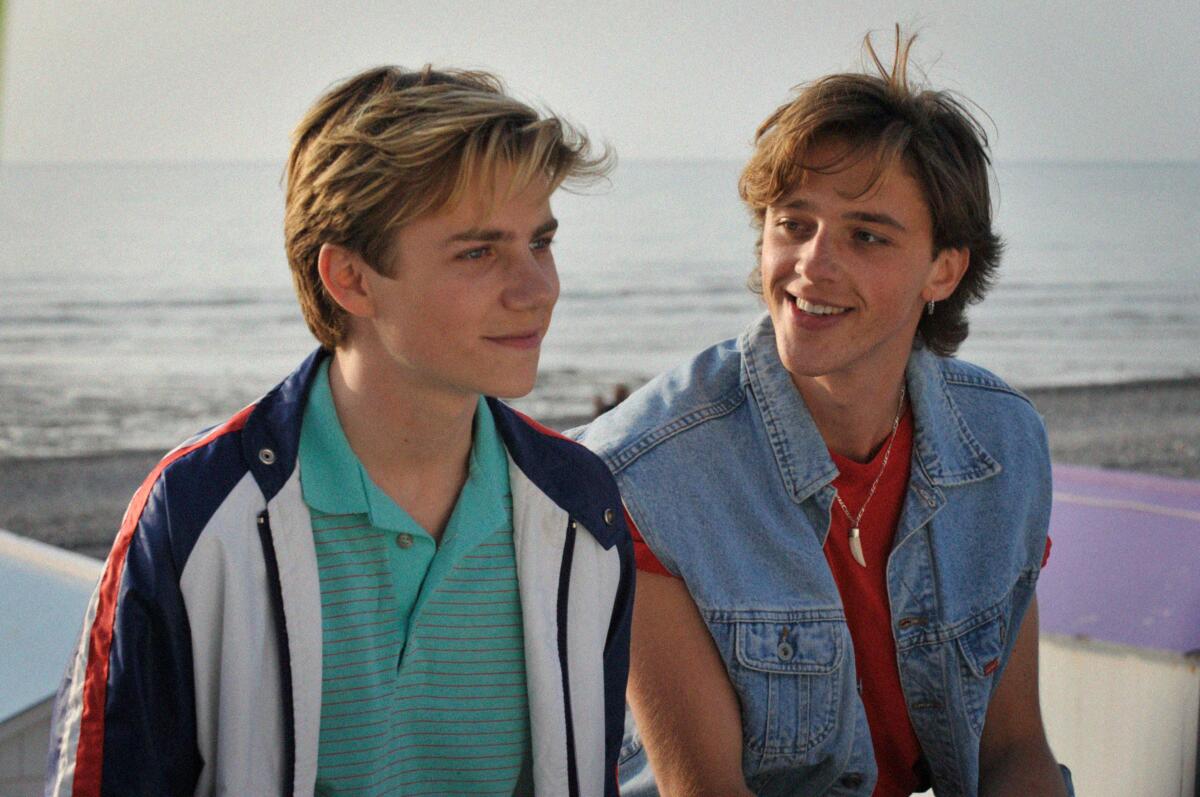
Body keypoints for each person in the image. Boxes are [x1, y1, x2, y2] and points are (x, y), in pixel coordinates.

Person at [46, 65, 633, 797]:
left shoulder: (581, 507)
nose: (537, 288)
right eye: (479, 252)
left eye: (540, 243)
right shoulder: (197, 513)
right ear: (350, 279)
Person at [576, 32, 1073, 796]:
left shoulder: (1003, 441)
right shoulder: (652, 472)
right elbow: (704, 788)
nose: (811, 262)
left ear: (944, 267)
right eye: (792, 222)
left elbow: (1013, 751)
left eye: (866, 234)